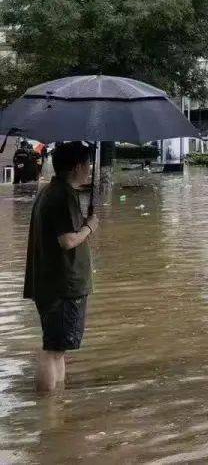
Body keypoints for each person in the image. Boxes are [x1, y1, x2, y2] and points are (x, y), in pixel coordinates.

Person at [23, 142, 97, 393]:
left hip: (52, 282)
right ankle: (47, 408)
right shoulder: (62, 195)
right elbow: (67, 240)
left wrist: (84, 223)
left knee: (58, 348)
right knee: (53, 349)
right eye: (87, 164)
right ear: (77, 166)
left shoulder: (50, 191)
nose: (89, 169)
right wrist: (89, 227)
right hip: (62, 286)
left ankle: (58, 402)